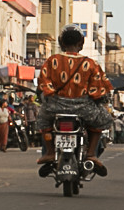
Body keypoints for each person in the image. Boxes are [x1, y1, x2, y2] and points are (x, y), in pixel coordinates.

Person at [35, 26, 113, 175]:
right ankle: (91, 154)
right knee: (101, 121)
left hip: (55, 107)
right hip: (83, 108)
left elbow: (44, 83)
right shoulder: (91, 64)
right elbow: (97, 89)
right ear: (81, 44)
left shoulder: (52, 61)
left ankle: (50, 152)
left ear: (62, 43)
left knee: (43, 122)